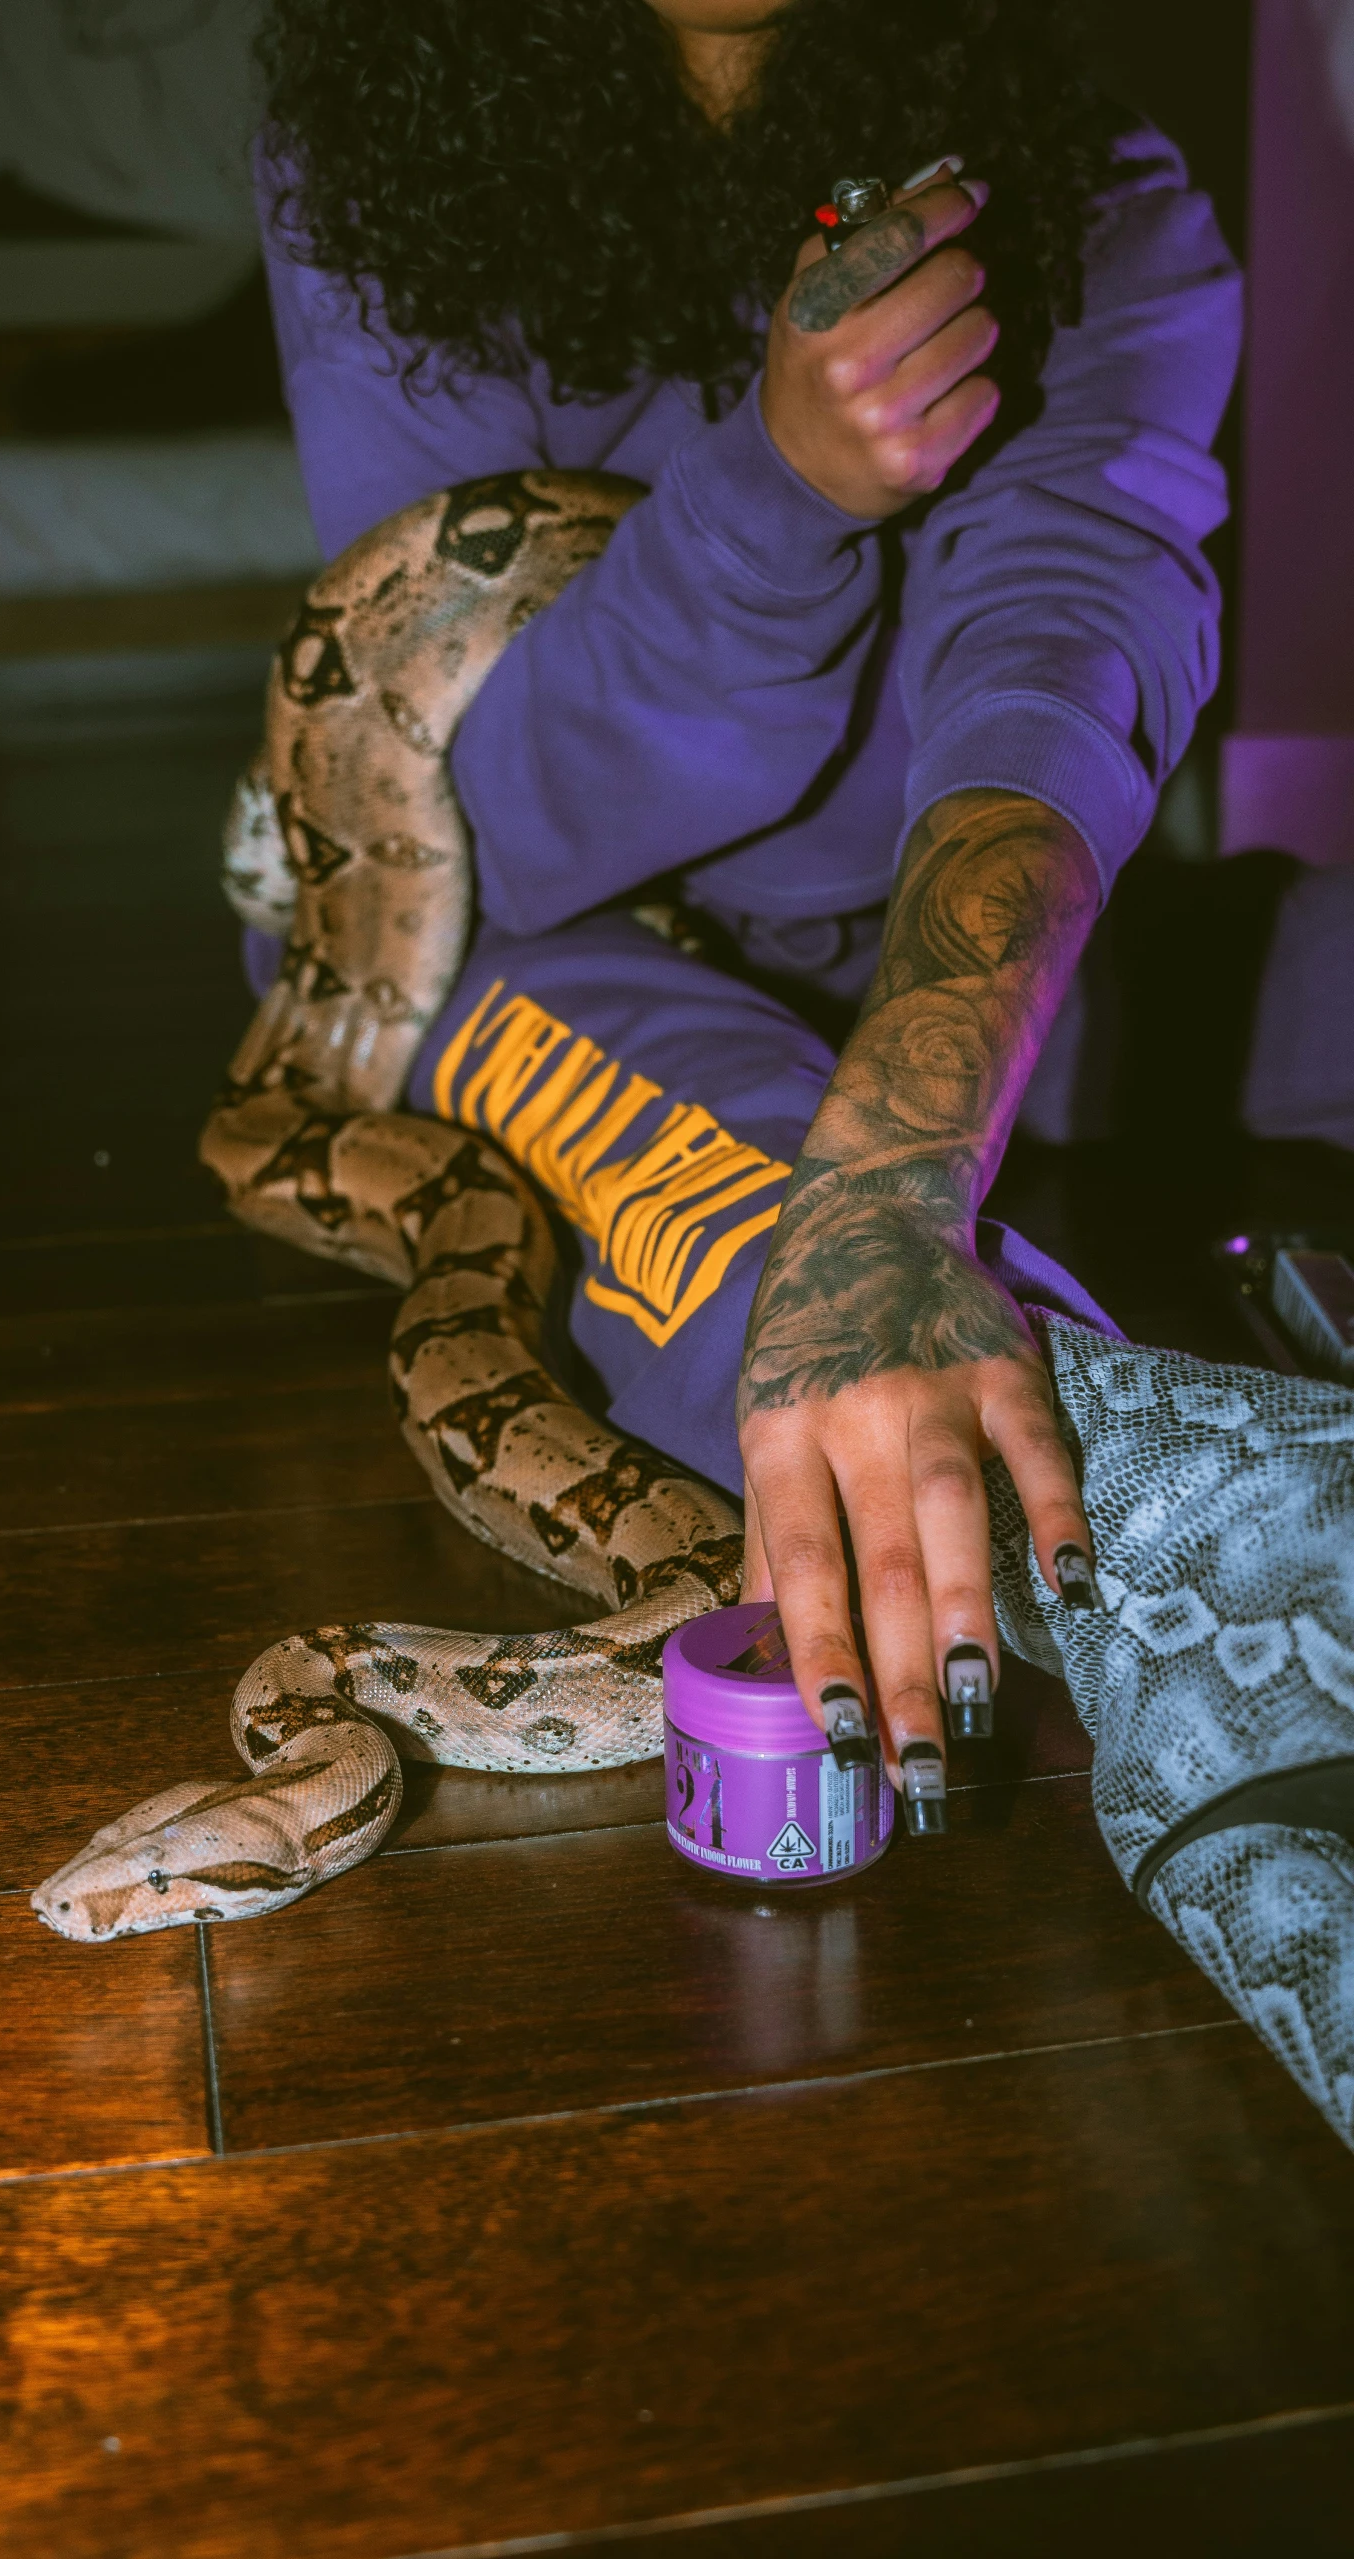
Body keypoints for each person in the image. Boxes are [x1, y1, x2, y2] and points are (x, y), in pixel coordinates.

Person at [247, 0, 1242, 1821]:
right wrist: (782, 491)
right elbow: (497, 835)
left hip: (906, 905)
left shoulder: (1110, 201)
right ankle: (1230, 1579)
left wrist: (905, 1167)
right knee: (808, 1295)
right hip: (498, 938)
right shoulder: (376, 167)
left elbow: (1055, 665)